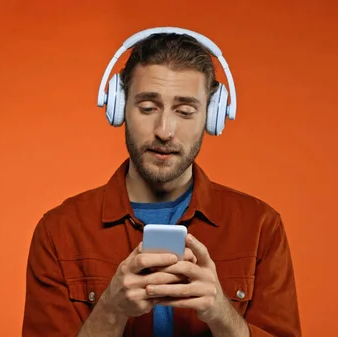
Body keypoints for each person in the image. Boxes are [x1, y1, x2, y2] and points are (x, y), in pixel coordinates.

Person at [22, 27, 302, 337]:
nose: (164, 130)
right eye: (148, 108)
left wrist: (222, 315)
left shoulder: (261, 227)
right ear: (119, 108)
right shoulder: (59, 231)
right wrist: (111, 309)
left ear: (212, 116)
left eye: (185, 111)